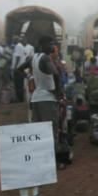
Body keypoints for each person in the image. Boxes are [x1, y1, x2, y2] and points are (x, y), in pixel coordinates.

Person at [19, 35, 70, 169]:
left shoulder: (32, 58)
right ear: (42, 45)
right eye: (50, 44)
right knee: (51, 132)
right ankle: (53, 163)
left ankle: (38, 160)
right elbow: (56, 74)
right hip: (47, 100)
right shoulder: (46, 58)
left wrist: (31, 77)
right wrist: (58, 92)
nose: (52, 46)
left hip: (36, 99)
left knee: (37, 132)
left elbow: (18, 69)